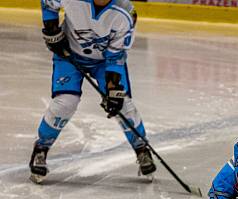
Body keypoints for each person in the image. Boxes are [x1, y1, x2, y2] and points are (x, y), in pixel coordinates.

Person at [30, 0, 155, 184]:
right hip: (69, 55)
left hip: (104, 63)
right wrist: (52, 29)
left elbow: (116, 56)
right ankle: (41, 148)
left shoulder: (125, 12)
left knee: (124, 105)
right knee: (65, 103)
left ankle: (141, 148)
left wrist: (113, 90)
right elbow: (48, 3)